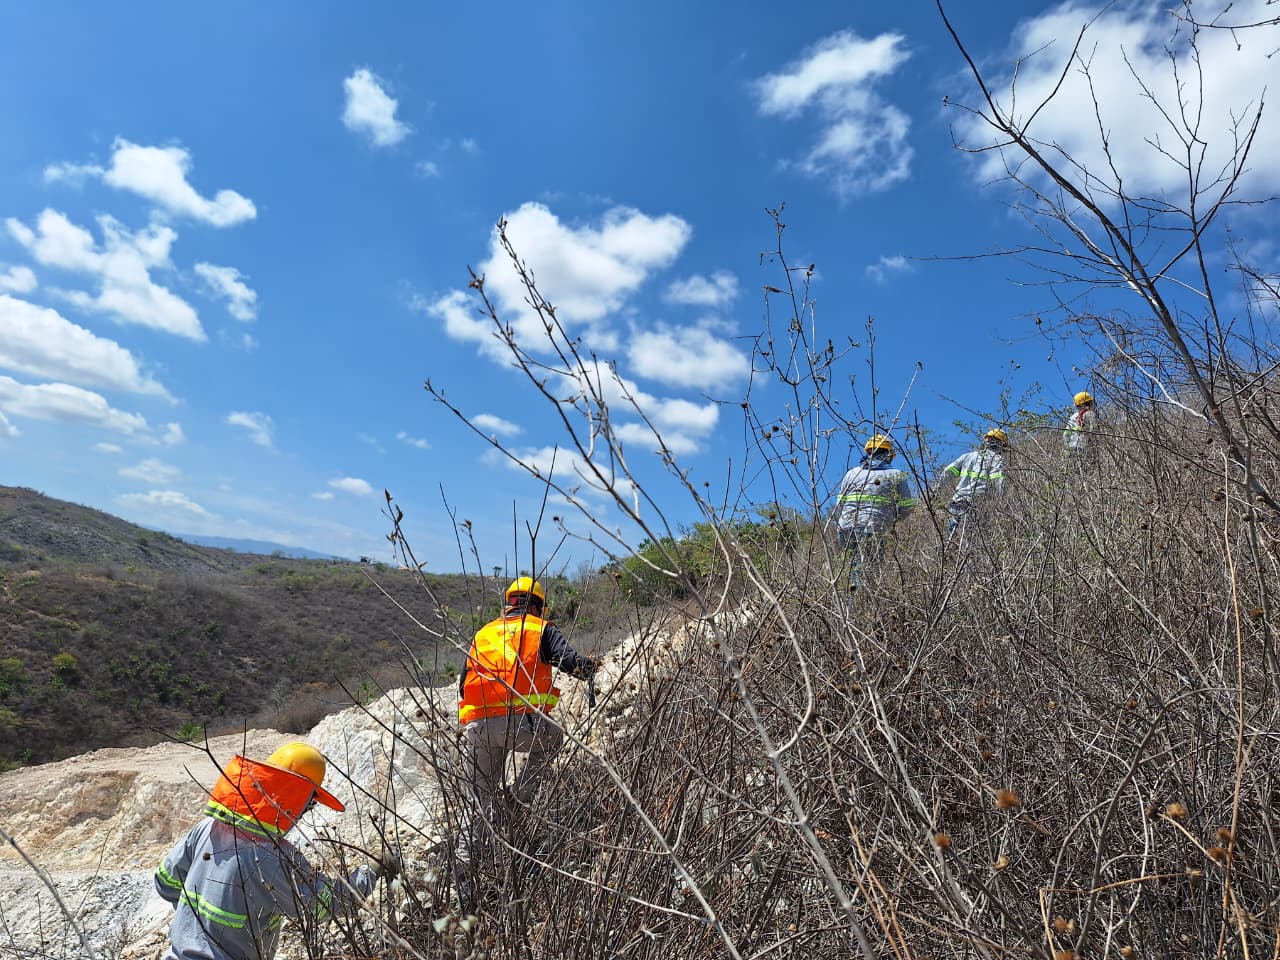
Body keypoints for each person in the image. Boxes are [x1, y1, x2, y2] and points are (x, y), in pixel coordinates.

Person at [155, 742, 393, 960]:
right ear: (296, 798)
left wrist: (195, 926)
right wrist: (371, 869)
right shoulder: (274, 857)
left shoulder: (207, 827)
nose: (306, 811)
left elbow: (165, 882)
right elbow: (327, 903)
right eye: (309, 803)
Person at [454, 576, 596, 901]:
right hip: (523, 724)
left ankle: (464, 879)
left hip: (477, 727)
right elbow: (569, 662)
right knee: (554, 739)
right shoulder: (540, 629)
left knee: (477, 802)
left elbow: (463, 684)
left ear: (509, 603)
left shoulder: (483, 634)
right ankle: (519, 798)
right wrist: (590, 667)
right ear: (538, 606)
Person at [832, 434, 915, 589]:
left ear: (868, 452)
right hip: (875, 527)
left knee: (853, 568)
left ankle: (847, 601)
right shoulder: (896, 475)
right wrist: (894, 521)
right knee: (871, 572)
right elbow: (907, 507)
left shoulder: (852, 473)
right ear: (889, 454)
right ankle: (860, 601)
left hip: (846, 527)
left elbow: (839, 505)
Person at [940, 428, 1008, 539]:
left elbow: (947, 472)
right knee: (973, 541)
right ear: (1000, 443)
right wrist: (1001, 505)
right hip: (978, 506)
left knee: (952, 540)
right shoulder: (997, 460)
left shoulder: (967, 457)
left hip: (957, 502)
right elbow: (999, 483)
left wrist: (937, 491)